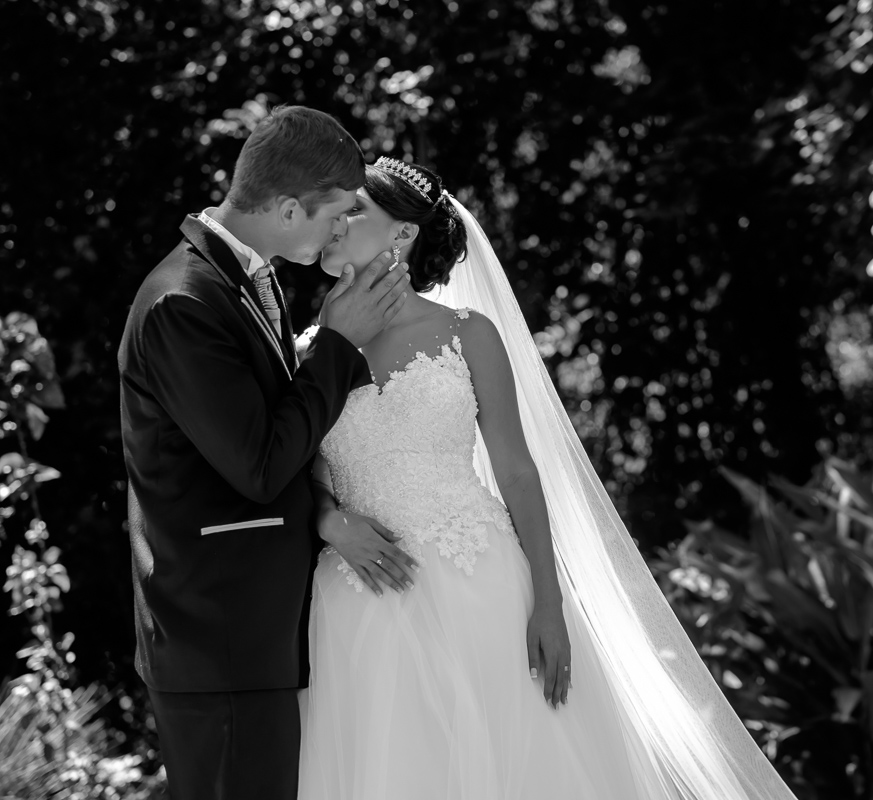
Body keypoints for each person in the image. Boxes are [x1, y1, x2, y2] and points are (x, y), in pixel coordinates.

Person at [299, 157, 798, 799]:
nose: (335, 223)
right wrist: (329, 519)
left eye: (354, 211)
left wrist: (550, 603)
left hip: (478, 586)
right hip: (357, 597)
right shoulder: (305, 350)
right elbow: (301, 467)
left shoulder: (465, 333)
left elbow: (515, 469)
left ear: (402, 234)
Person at [117, 106, 419, 800]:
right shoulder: (182, 303)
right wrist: (338, 343)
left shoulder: (251, 276)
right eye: (337, 213)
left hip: (257, 633)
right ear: (288, 208)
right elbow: (258, 465)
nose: (343, 229)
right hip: (218, 635)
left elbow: (282, 430)